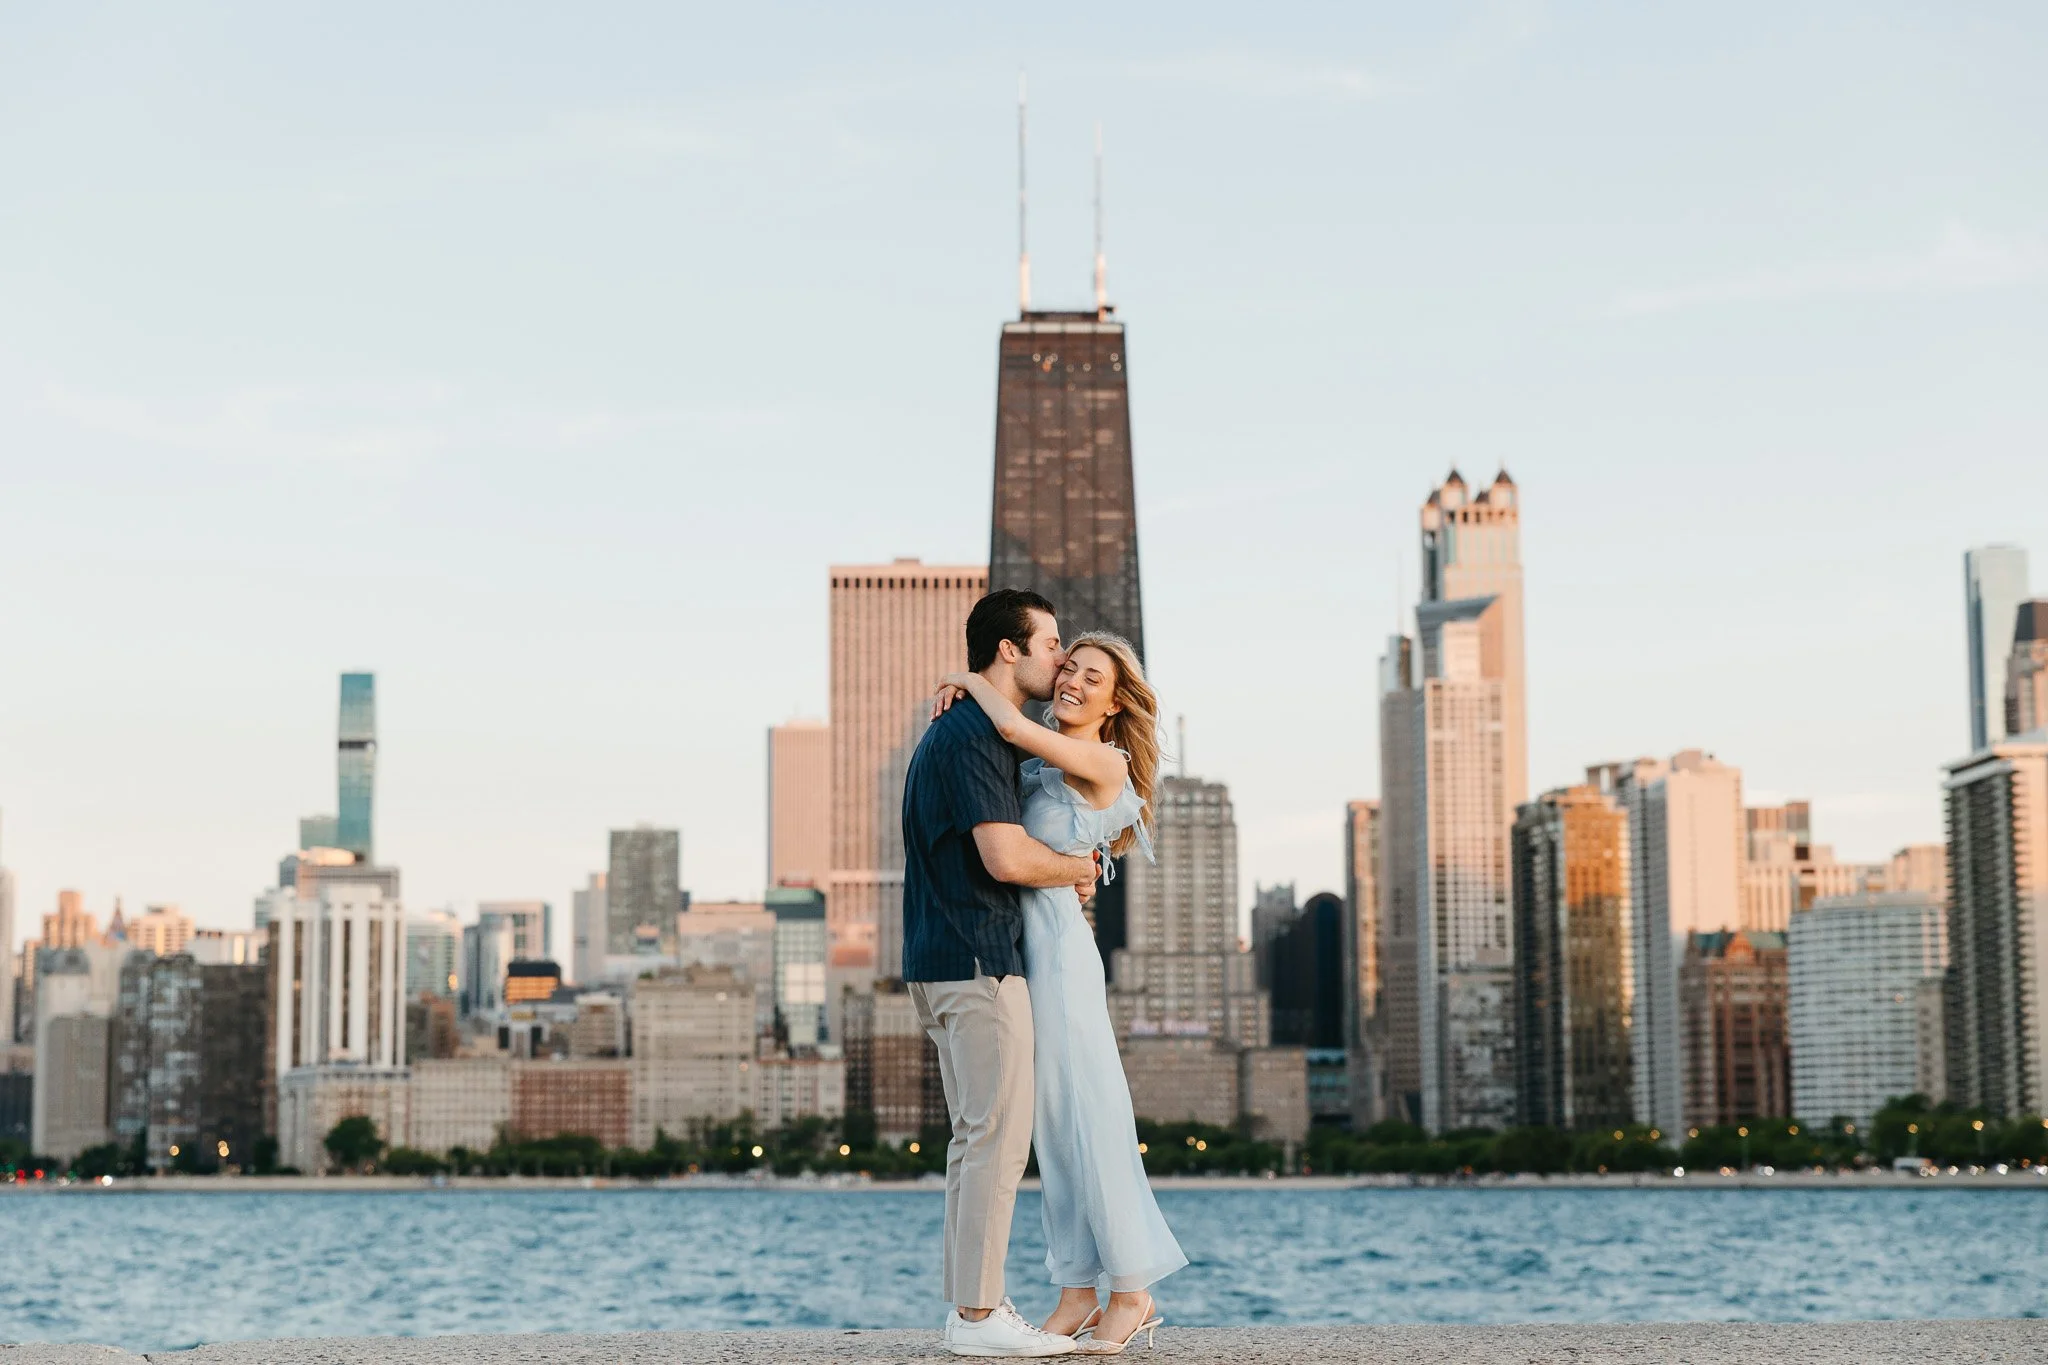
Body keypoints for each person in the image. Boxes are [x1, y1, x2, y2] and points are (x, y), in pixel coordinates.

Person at [932, 630, 1185, 1357]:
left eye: (1090, 675)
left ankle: (1132, 1289)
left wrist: (967, 679)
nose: (1070, 679)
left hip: (1064, 962)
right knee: (1053, 1129)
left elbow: (1009, 724)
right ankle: (1077, 1287)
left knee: (1090, 1117)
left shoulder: (1103, 759)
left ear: (1116, 701)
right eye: (1068, 665)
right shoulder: (1046, 762)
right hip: (1025, 954)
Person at [901, 588, 1099, 1359]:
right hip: (978, 959)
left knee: (972, 1138)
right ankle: (979, 1317)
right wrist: (1077, 866)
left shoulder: (963, 729)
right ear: (1010, 650)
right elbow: (1005, 857)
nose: (1060, 656)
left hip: (941, 958)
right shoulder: (972, 739)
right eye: (1050, 643)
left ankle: (969, 1310)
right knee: (996, 1140)